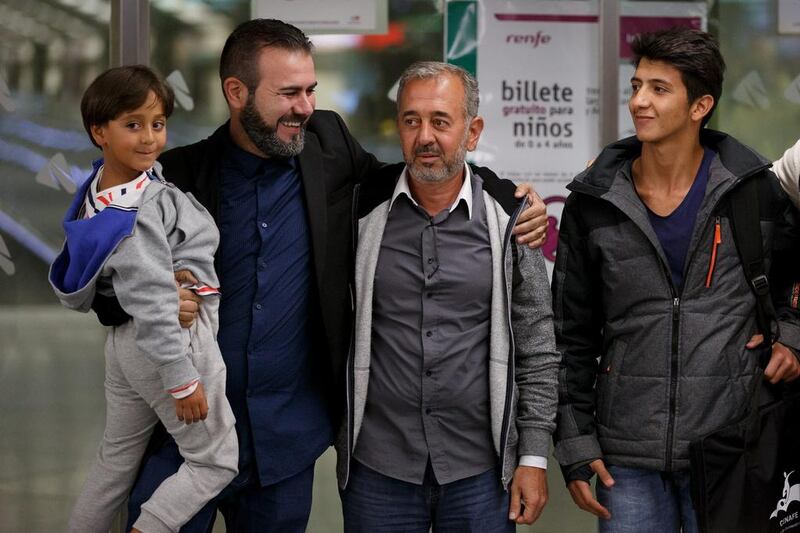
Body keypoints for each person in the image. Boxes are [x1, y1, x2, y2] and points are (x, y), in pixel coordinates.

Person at [91, 20, 549, 532]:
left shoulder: (328, 146)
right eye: (288, 93)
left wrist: (507, 196)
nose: (305, 107)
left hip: (286, 447)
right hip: (185, 436)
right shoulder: (177, 176)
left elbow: (423, 169)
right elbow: (102, 277)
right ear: (236, 92)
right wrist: (146, 297)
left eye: (310, 90)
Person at [551, 26, 800, 533]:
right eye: (636, 85)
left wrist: (792, 338)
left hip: (731, 446)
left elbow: (793, 281)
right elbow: (568, 334)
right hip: (626, 457)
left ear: (700, 105)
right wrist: (575, 445)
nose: (639, 101)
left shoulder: (751, 193)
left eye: (658, 89)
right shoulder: (595, 202)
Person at [335, 61, 560, 532]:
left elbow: (538, 344)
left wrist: (534, 456)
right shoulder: (359, 214)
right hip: (379, 469)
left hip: (479, 471)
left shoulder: (510, 221)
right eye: (411, 120)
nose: (424, 137)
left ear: (472, 132)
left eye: (440, 121)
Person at [48, 65, 238, 533]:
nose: (150, 138)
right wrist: (181, 379)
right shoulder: (140, 211)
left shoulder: (101, 191)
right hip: (171, 344)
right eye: (132, 125)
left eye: (157, 124)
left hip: (125, 350)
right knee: (215, 461)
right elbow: (154, 299)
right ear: (99, 132)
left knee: (114, 463)